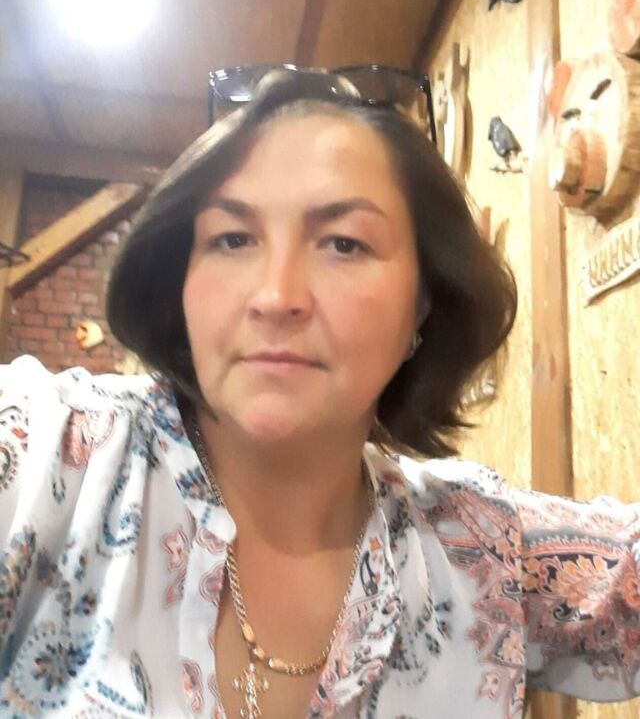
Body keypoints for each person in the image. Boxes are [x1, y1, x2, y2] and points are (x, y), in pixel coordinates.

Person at [0, 68, 638, 719]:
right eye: (232, 239)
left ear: (423, 303)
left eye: (343, 243)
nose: (276, 296)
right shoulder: (51, 454)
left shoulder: (478, 547)